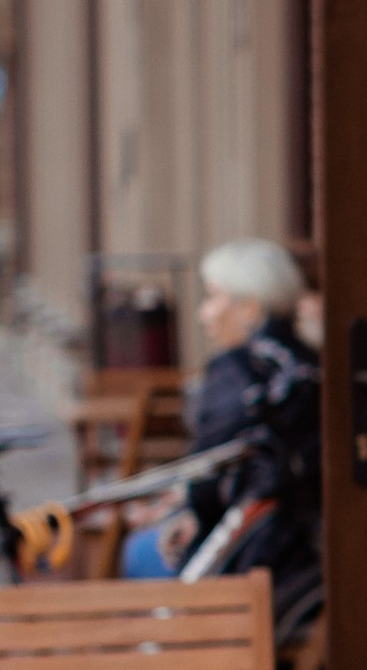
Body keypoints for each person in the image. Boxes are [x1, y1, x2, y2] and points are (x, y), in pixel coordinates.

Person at [120, 239, 323, 617]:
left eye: (213, 297)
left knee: (139, 552)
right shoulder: (311, 361)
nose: (204, 314)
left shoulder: (237, 369)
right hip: (304, 558)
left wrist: (186, 512)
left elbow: (207, 474)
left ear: (249, 308)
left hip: (256, 559)